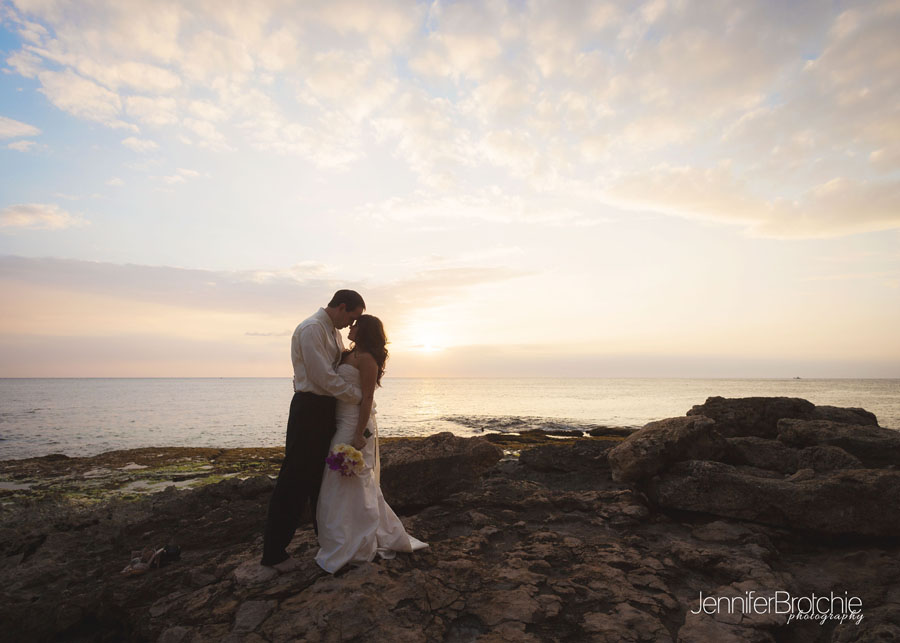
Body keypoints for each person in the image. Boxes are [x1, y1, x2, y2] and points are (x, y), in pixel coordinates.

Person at [260, 290, 365, 570]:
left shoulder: (333, 332)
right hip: (310, 408)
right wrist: (358, 397)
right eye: (352, 317)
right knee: (294, 480)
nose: (351, 325)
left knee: (321, 480)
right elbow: (323, 377)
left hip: (326, 408)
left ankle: (328, 542)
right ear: (342, 307)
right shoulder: (311, 329)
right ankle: (273, 554)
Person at [315, 314, 428, 573]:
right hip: (339, 421)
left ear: (364, 331)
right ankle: (339, 538)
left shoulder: (367, 360)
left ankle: (358, 542)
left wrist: (357, 434)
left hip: (356, 425)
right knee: (335, 482)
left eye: (356, 325)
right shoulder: (346, 355)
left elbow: (366, 399)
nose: (350, 327)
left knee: (355, 480)